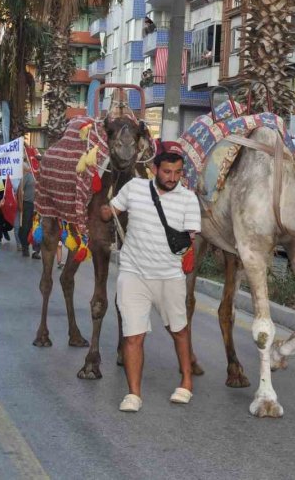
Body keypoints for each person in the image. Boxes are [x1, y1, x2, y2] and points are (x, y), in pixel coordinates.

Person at [100, 144, 201, 413]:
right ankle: (133, 394)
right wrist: (106, 212)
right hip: (134, 274)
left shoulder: (188, 199)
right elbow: (111, 210)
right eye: (167, 172)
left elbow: (189, 238)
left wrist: (183, 241)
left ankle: (186, 383)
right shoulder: (134, 188)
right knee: (132, 335)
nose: (172, 177)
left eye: (177, 173)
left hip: (169, 276)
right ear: (155, 169)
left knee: (178, 330)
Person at [18, 162, 37, 257]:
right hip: (27, 204)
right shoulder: (26, 176)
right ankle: (25, 247)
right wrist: (20, 204)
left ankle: (34, 249)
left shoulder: (37, 174)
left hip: (37, 205)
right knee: (25, 226)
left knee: (34, 227)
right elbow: (20, 191)